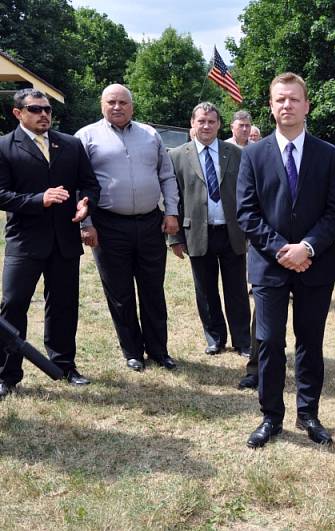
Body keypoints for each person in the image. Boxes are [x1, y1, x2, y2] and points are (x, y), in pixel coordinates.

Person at [238, 72, 335, 448]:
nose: (287, 105)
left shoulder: (327, 153)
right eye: (280, 99)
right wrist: (283, 249)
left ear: (306, 105)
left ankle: (308, 413)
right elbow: (247, 213)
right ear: (271, 106)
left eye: (294, 99)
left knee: (310, 340)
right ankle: (271, 417)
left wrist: (308, 248)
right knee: (267, 341)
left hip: (316, 265)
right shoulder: (252, 154)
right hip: (269, 265)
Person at [0, 88, 101, 398]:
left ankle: (64, 365)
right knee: (13, 305)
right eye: (35, 109)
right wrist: (38, 200)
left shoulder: (70, 144)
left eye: (47, 109)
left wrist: (86, 204)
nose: (43, 114)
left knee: (63, 305)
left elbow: (89, 184)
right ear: (18, 113)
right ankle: (7, 375)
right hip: (25, 241)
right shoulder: (4, 146)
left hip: (64, 241)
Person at [75, 84, 180, 372]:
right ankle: (132, 351)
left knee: (153, 290)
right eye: (111, 102)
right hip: (108, 226)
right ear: (102, 104)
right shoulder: (85, 137)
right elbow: (79, 184)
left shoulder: (150, 134)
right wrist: (86, 223)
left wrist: (171, 212)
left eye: (123, 102)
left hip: (150, 223)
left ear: (132, 106)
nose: (117, 107)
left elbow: (167, 175)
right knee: (119, 292)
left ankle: (159, 350)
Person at [167, 102, 251, 357]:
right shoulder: (177, 155)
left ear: (219, 125)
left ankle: (243, 340)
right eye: (201, 121)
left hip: (232, 233)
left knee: (236, 289)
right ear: (192, 123)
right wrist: (174, 237)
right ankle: (215, 338)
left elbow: (248, 193)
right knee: (205, 290)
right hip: (197, 233)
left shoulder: (235, 153)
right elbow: (173, 197)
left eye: (211, 121)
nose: (206, 126)